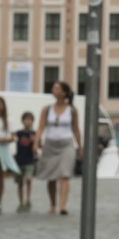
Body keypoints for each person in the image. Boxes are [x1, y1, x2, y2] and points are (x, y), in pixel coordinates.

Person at [34, 81, 81, 215]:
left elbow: (76, 130)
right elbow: (41, 127)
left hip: (66, 144)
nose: (54, 90)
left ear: (64, 93)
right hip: (50, 144)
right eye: (54, 88)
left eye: (57, 88)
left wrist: (80, 147)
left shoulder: (72, 109)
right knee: (51, 176)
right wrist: (36, 142)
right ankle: (53, 204)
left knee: (65, 174)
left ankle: (63, 205)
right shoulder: (47, 109)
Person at [14, 111, 38, 212]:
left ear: (32, 121)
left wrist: (35, 141)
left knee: (28, 179)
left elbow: (38, 147)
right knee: (20, 183)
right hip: (19, 160)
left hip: (29, 160)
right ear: (22, 121)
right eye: (26, 119)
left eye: (30, 120)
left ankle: (28, 199)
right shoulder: (19, 133)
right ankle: (21, 202)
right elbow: (12, 139)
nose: (27, 122)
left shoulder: (34, 134)